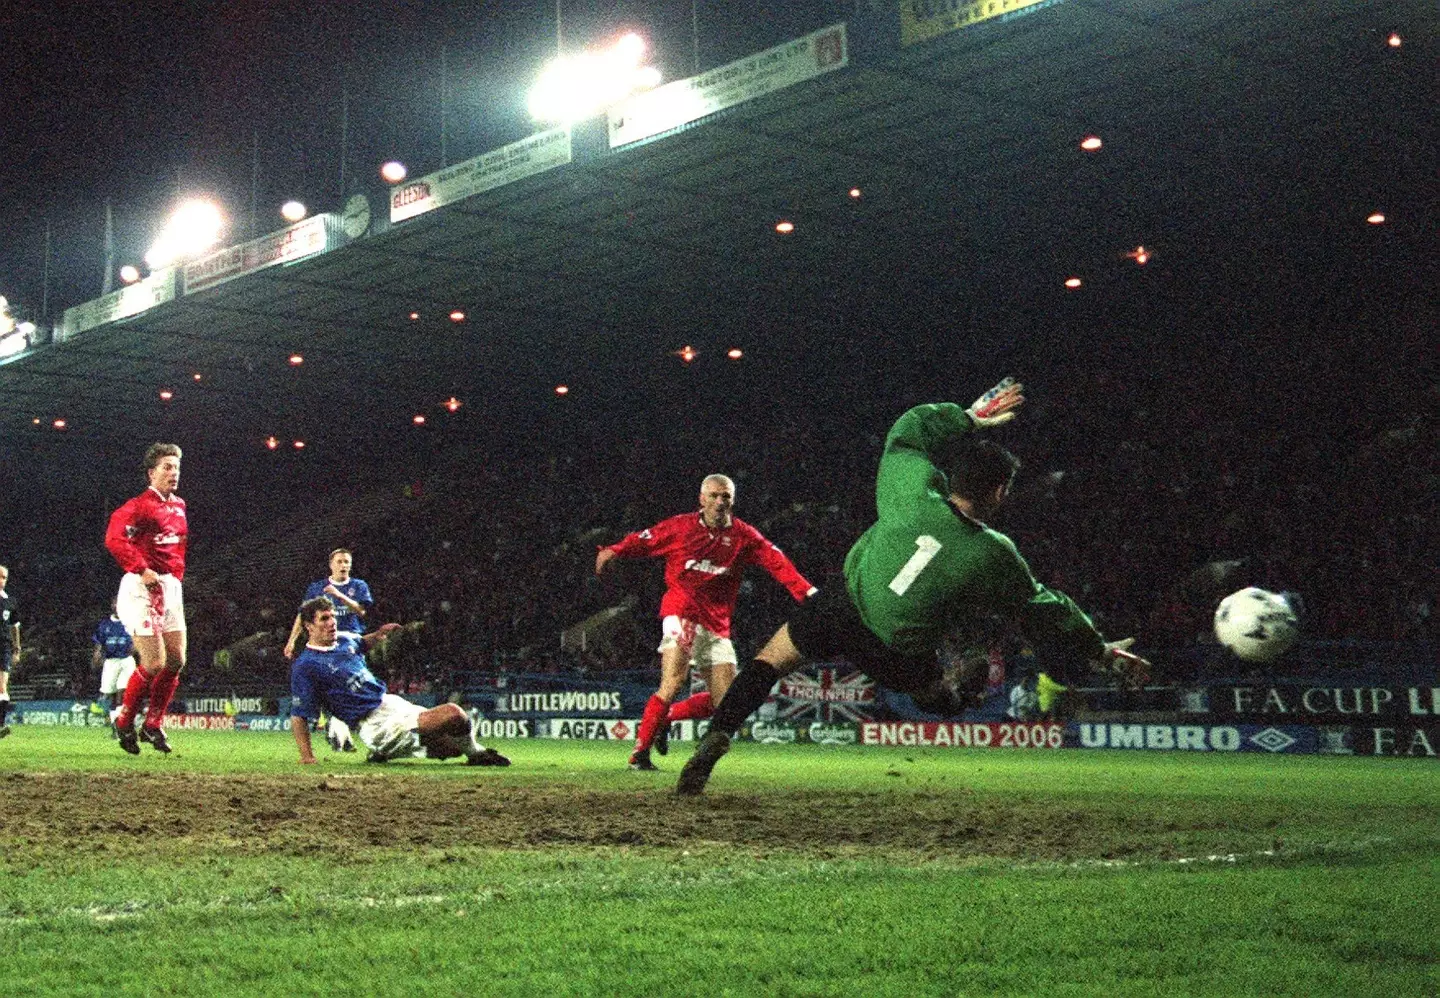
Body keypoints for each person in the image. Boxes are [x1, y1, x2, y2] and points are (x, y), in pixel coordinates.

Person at [677, 379, 1151, 795]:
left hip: (841, 605)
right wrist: (1100, 650)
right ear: (1000, 492)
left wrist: (966, 418)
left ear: (954, 477)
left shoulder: (912, 489)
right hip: (897, 651)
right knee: (934, 697)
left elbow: (905, 435)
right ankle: (955, 695)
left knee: (766, 663)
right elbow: (1048, 610)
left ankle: (719, 734)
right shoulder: (995, 554)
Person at [596, 473, 817, 771]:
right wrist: (615, 549)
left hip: (717, 624)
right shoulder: (680, 527)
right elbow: (644, 540)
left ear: (733, 500)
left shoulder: (744, 536)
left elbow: (777, 561)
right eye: (713, 495)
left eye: (725, 496)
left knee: (723, 703)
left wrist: (808, 592)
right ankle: (639, 755)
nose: (719, 501)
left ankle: (667, 718)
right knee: (673, 681)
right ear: (701, 499)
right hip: (682, 612)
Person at [289, 596, 510, 767]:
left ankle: (383, 753)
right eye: (324, 619)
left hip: (389, 702)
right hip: (372, 722)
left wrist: (380, 633)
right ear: (309, 626)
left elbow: (363, 642)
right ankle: (477, 754)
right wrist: (307, 756)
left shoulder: (344, 639)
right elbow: (299, 715)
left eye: (333, 616)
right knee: (454, 714)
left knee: (450, 748)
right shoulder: (307, 665)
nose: (332, 623)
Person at [104, 442, 188, 755]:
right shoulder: (138, 505)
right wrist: (142, 569)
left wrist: (174, 579)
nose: (173, 473)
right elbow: (114, 539)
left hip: (169, 587)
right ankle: (124, 720)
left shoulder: (179, 505)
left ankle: (152, 724)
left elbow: (177, 545)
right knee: (154, 662)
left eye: (176, 468)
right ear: (151, 473)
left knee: (177, 660)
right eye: (167, 467)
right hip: (142, 586)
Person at [283, 548, 374, 752]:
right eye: (340, 561)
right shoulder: (317, 588)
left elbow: (362, 611)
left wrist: (338, 595)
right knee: (330, 686)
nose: (344, 565)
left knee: (354, 687)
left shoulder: (358, 586)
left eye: (347, 562)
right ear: (331, 564)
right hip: (324, 644)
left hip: (350, 643)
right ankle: (338, 730)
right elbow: (303, 615)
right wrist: (291, 641)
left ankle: (340, 729)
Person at [93, 603, 137, 729]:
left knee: (122, 692)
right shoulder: (105, 625)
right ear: (112, 606)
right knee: (110, 694)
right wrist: (97, 655)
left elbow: (136, 638)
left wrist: (134, 648)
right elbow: (99, 643)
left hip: (126, 660)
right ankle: (115, 724)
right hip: (111, 661)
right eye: (115, 604)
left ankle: (122, 725)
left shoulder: (129, 622)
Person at [0, 564, 19, 738]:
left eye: (4, 577)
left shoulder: (10, 602)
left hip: (4, 646)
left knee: (2, 686)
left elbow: (14, 626)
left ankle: (1, 724)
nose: (2, 580)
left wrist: (17, 648)